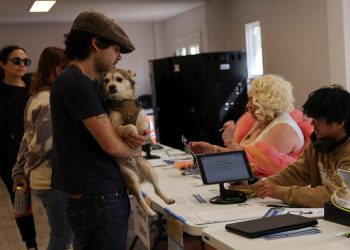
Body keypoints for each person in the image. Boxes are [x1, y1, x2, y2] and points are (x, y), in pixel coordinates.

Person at [50, 11, 148, 250]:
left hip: (98, 196)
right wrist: (135, 151)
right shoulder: (76, 83)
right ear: (96, 43)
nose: (118, 58)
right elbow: (111, 145)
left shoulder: (84, 83)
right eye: (116, 50)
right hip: (98, 199)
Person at [232, 85, 350, 208]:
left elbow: (333, 196)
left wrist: (278, 192)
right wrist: (259, 187)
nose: (312, 123)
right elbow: (295, 173)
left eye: (318, 119)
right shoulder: (319, 143)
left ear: (339, 122)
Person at [189, 74, 313, 177]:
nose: (247, 105)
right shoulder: (261, 121)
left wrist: (229, 140)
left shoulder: (283, 129)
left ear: (266, 101)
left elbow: (251, 166)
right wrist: (212, 149)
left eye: (252, 100)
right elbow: (246, 155)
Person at [12, 47, 73, 250]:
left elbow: (25, 139)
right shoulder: (48, 100)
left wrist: (20, 170)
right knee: (62, 237)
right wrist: (25, 170)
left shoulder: (36, 95)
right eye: (66, 68)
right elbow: (40, 145)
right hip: (49, 180)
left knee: (64, 235)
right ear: (56, 69)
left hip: (45, 180)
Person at [0, 45, 38, 250]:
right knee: (21, 199)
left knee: (51, 198)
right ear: (3, 64)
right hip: (10, 159)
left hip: (38, 155)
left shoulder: (34, 89)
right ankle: (31, 244)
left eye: (25, 61)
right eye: (16, 61)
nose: (22, 65)